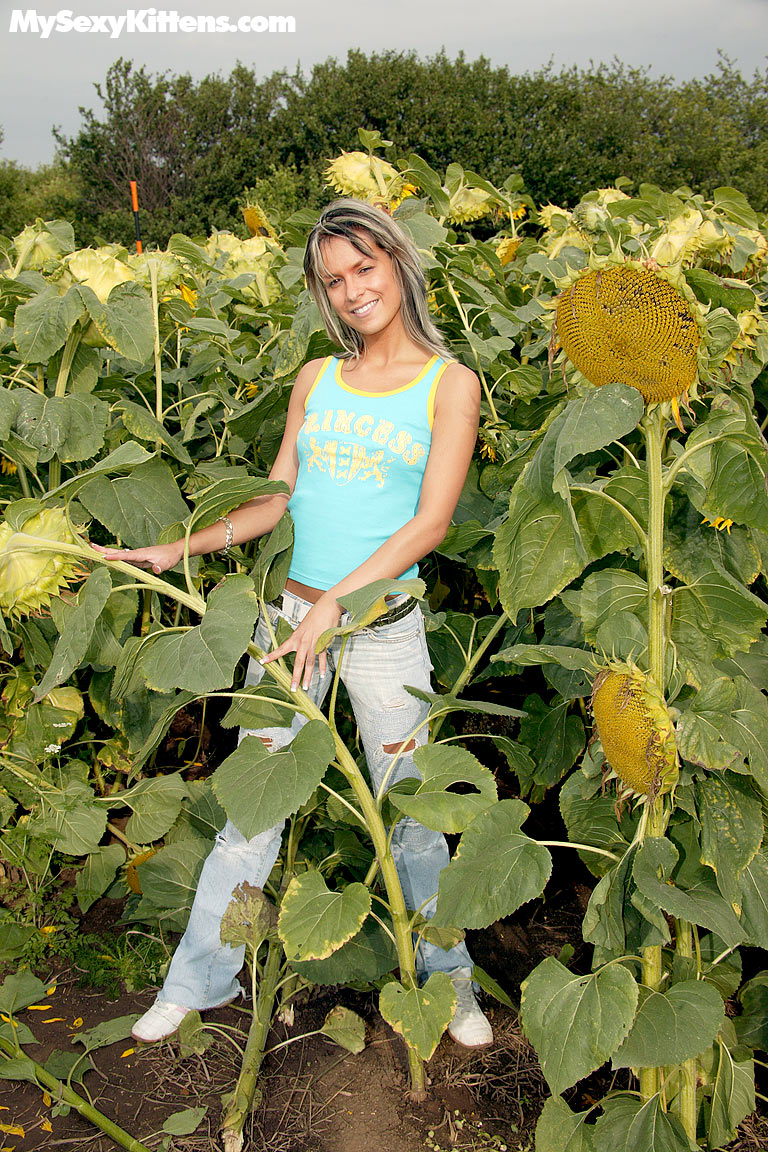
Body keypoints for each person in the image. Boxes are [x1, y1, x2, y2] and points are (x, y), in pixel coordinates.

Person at [94, 198, 493, 1049]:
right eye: (334, 280)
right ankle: (197, 980)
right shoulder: (317, 377)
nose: (353, 290)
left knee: (414, 816)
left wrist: (336, 605)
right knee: (252, 813)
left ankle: (450, 984)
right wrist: (178, 547)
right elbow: (277, 501)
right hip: (289, 622)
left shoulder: (449, 384)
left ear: (398, 263)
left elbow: (429, 525)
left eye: (364, 268)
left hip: (380, 627)